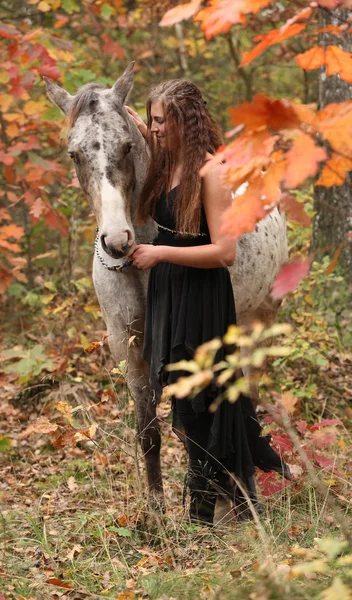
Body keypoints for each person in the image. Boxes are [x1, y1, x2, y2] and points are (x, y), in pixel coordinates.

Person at [126, 80, 290, 525]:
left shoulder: (210, 170)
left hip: (200, 292)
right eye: (153, 121)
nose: (155, 129)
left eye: (162, 121)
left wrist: (160, 253)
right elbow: (142, 138)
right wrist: (136, 125)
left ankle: (203, 516)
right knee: (186, 403)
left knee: (203, 402)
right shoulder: (169, 161)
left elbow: (225, 252)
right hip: (171, 292)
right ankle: (233, 497)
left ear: (183, 121)